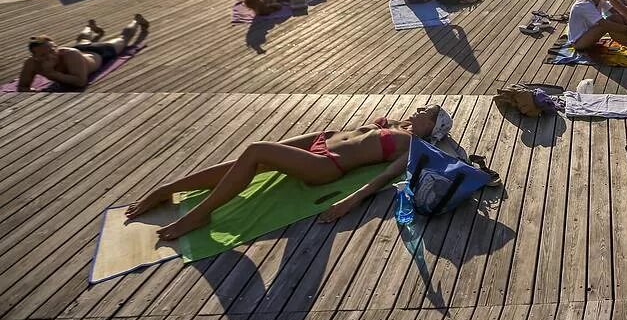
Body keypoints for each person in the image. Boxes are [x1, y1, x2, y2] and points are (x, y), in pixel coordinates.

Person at [125, 105, 455, 239]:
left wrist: (348, 202)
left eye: (427, 112)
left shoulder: (412, 147)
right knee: (249, 160)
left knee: (256, 150)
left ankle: (200, 215)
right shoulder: (399, 123)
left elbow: (382, 178)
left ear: (432, 127)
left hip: (327, 165)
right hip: (322, 140)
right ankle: (166, 189)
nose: (419, 109)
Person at [18, 15, 149, 91]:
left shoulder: (71, 54)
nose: (50, 56)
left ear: (57, 47)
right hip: (81, 49)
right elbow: (23, 87)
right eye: (43, 55)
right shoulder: (31, 63)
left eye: (52, 51)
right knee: (83, 39)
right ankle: (89, 27)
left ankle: (136, 21)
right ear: (34, 57)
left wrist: (52, 73)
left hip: (99, 52)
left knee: (123, 39)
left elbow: (80, 82)